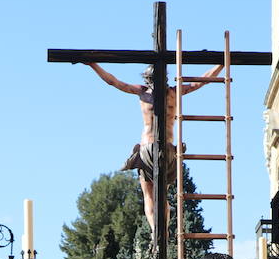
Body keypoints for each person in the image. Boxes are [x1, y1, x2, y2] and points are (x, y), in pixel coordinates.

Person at [84, 60, 223, 232]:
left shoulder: (142, 92)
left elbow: (113, 81)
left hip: (147, 148)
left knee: (149, 194)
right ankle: (162, 232)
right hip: (169, 149)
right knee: (162, 194)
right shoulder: (174, 92)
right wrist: (220, 65)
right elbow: (201, 81)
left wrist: (93, 64)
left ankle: (155, 232)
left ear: (147, 79)